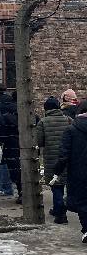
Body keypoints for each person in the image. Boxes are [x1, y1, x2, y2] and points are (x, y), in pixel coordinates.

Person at [54, 100, 87, 242]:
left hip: (78, 172)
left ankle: (86, 229)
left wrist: (57, 171)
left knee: (82, 202)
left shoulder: (71, 130)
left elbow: (64, 154)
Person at [35, 96, 71, 224]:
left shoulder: (43, 122)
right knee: (65, 184)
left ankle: (61, 214)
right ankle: (58, 209)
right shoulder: (68, 120)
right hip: (67, 157)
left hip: (51, 158)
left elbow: (39, 141)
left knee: (56, 186)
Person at [0, 86, 22, 203]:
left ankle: (18, 190)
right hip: (24, 143)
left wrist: (1, 140)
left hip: (11, 144)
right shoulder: (29, 113)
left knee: (14, 168)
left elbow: (2, 130)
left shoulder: (5, 114)